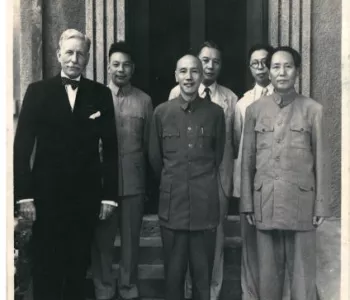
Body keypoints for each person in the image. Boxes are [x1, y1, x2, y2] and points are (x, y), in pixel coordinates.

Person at [13, 29, 119, 300]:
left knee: (77, 268)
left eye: (80, 53)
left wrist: (108, 197)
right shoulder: (37, 92)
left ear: (87, 58)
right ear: (59, 54)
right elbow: (22, 147)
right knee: (47, 268)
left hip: (85, 198)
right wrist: (24, 196)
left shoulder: (101, 94)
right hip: (46, 197)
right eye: (69, 52)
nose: (74, 58)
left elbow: (110, 149)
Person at [241, 46, 331, 300]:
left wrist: (321, 206)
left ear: (298, 71)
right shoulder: (254, 110)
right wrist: (247, 203)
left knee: (302, 282)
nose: (282, 72)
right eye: (276, 67)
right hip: (265, 203)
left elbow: (322, 161)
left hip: (301, 204)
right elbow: (247, 161)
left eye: (288, 66)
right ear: (268, 72)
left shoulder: (313, 110)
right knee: (268, 281)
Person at [149, 54, 225, 300]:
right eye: (183, 71)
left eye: (194, 71)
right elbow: (155, 158)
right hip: (173, 207)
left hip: (204, 206)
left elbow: (218, 155)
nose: (189, 77)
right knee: (173, 279)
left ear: (201, 76)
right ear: (176, 76)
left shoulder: (215, 113)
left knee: (203, 280)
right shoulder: (161, 113)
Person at [168, 41, 238, 300]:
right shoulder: (175, 93)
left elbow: (234, 142)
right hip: (185, 181)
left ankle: (212, 293)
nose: (210, 66)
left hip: (217, 178)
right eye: (205, 60)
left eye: (215, 61)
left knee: (213, 241)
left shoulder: (230, 98)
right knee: (185, 242)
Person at [91, 42, 153, 300]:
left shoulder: (144, 101)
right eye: (116, 64)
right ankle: (103, 290)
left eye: (126, 64)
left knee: (131, 243)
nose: (121, 69)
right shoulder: (95, 97)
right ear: (108, 66)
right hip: (102, 184)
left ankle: (128, 289)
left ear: (133, 68)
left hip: (133, 183)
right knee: (102, 243)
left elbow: (150, 145)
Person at [233, 44, 274, 300]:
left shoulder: (286, 99)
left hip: (275, 182)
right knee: (249, 245)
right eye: (254, 63)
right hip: (251, 182)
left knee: (272, 244)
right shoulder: (243, 103)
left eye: (265, 62)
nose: (260, 68)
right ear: (249, 68)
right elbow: (240, 145)